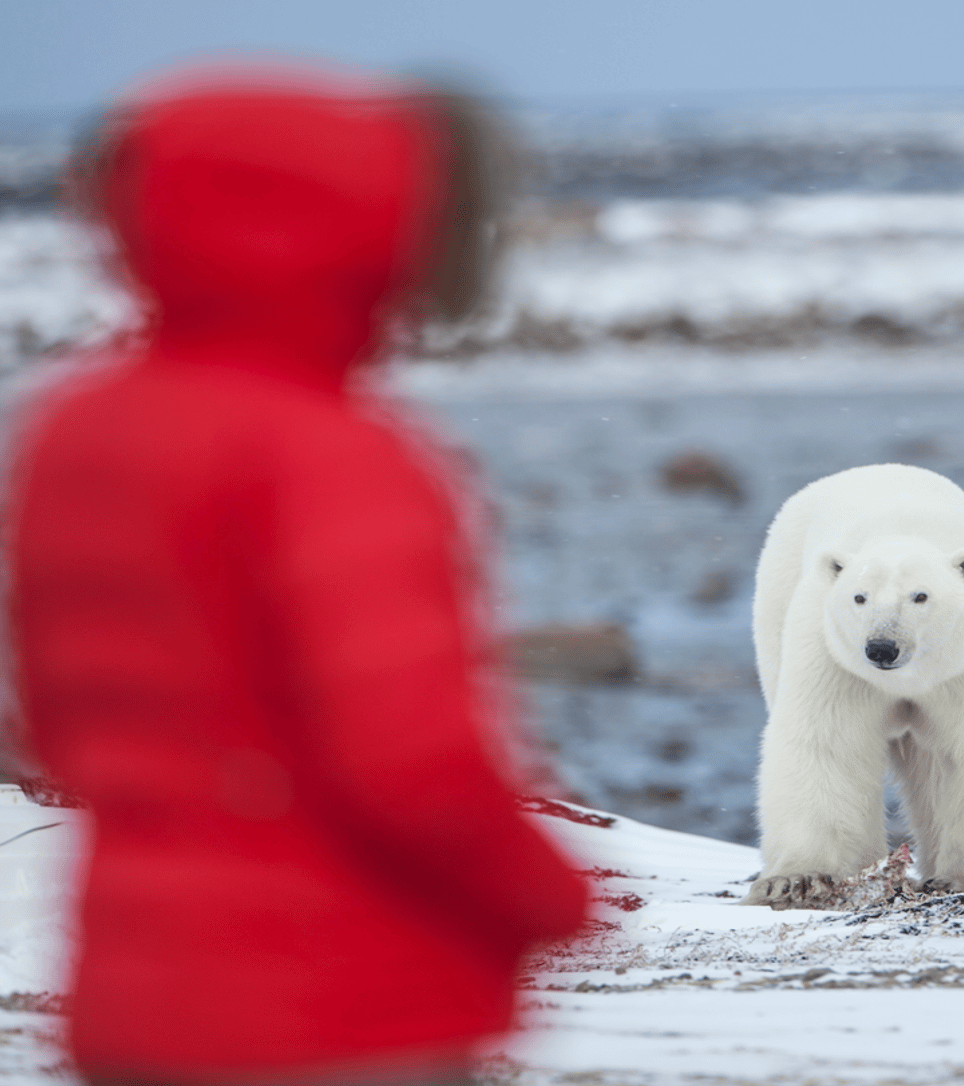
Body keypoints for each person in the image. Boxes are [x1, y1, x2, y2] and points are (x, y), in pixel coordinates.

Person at [1, 62, 588, 1084]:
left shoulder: (71, 430)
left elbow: (57, 722)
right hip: (348, 1008)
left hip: (137, 997)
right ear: (366, 224)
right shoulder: (339, 455)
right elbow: (411, 761)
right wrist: (545, 897)